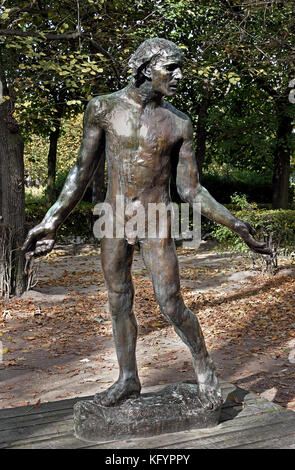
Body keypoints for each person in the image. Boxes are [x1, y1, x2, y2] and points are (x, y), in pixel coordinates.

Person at [23, 38, 271, 410]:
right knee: (119, 301)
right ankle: (127, 379)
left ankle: (204, 366)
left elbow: (191, 190)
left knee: (170, 302)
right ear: (145, 69)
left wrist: (235, 223)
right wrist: (51, 219)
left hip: (156, 220)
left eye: (179, 68)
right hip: (115, 220)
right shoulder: (103, 109)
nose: (179, 75)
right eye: (171, 67)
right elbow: (81, 170)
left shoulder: (179, 122)